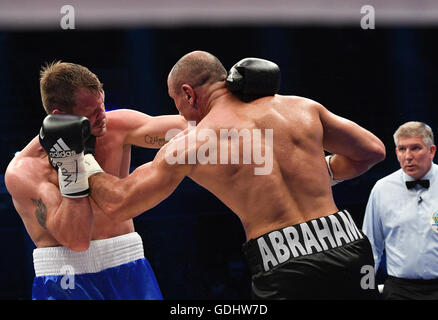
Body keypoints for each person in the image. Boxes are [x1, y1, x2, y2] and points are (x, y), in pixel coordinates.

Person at [49, 51, 386, 299]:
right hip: (348, 243)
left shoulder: (191, 144)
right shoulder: (301, 107)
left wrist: (77, 159)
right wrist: (319, 172)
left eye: (176, 102)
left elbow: (120, 203)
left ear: (187, 93)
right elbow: (371, 152)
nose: (180, 113)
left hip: (285, 261)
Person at [4, 61, 188, 300]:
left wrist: (229, 102)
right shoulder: (25, 170)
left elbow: (193, 129)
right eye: (92, 112)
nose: (103, 115)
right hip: (65, 281)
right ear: (60, 115)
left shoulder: (114, 127)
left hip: (129, 267)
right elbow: (77, 240)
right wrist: (73, 163)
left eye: (102, 104)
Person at [362, 121, 438, 300]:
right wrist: (363, 289)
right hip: (400, 290)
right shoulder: (382, 189)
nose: (408, 156)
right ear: (396, 152)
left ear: (431, 151)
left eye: (415, 148)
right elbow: (370, 246)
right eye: (402, 149)